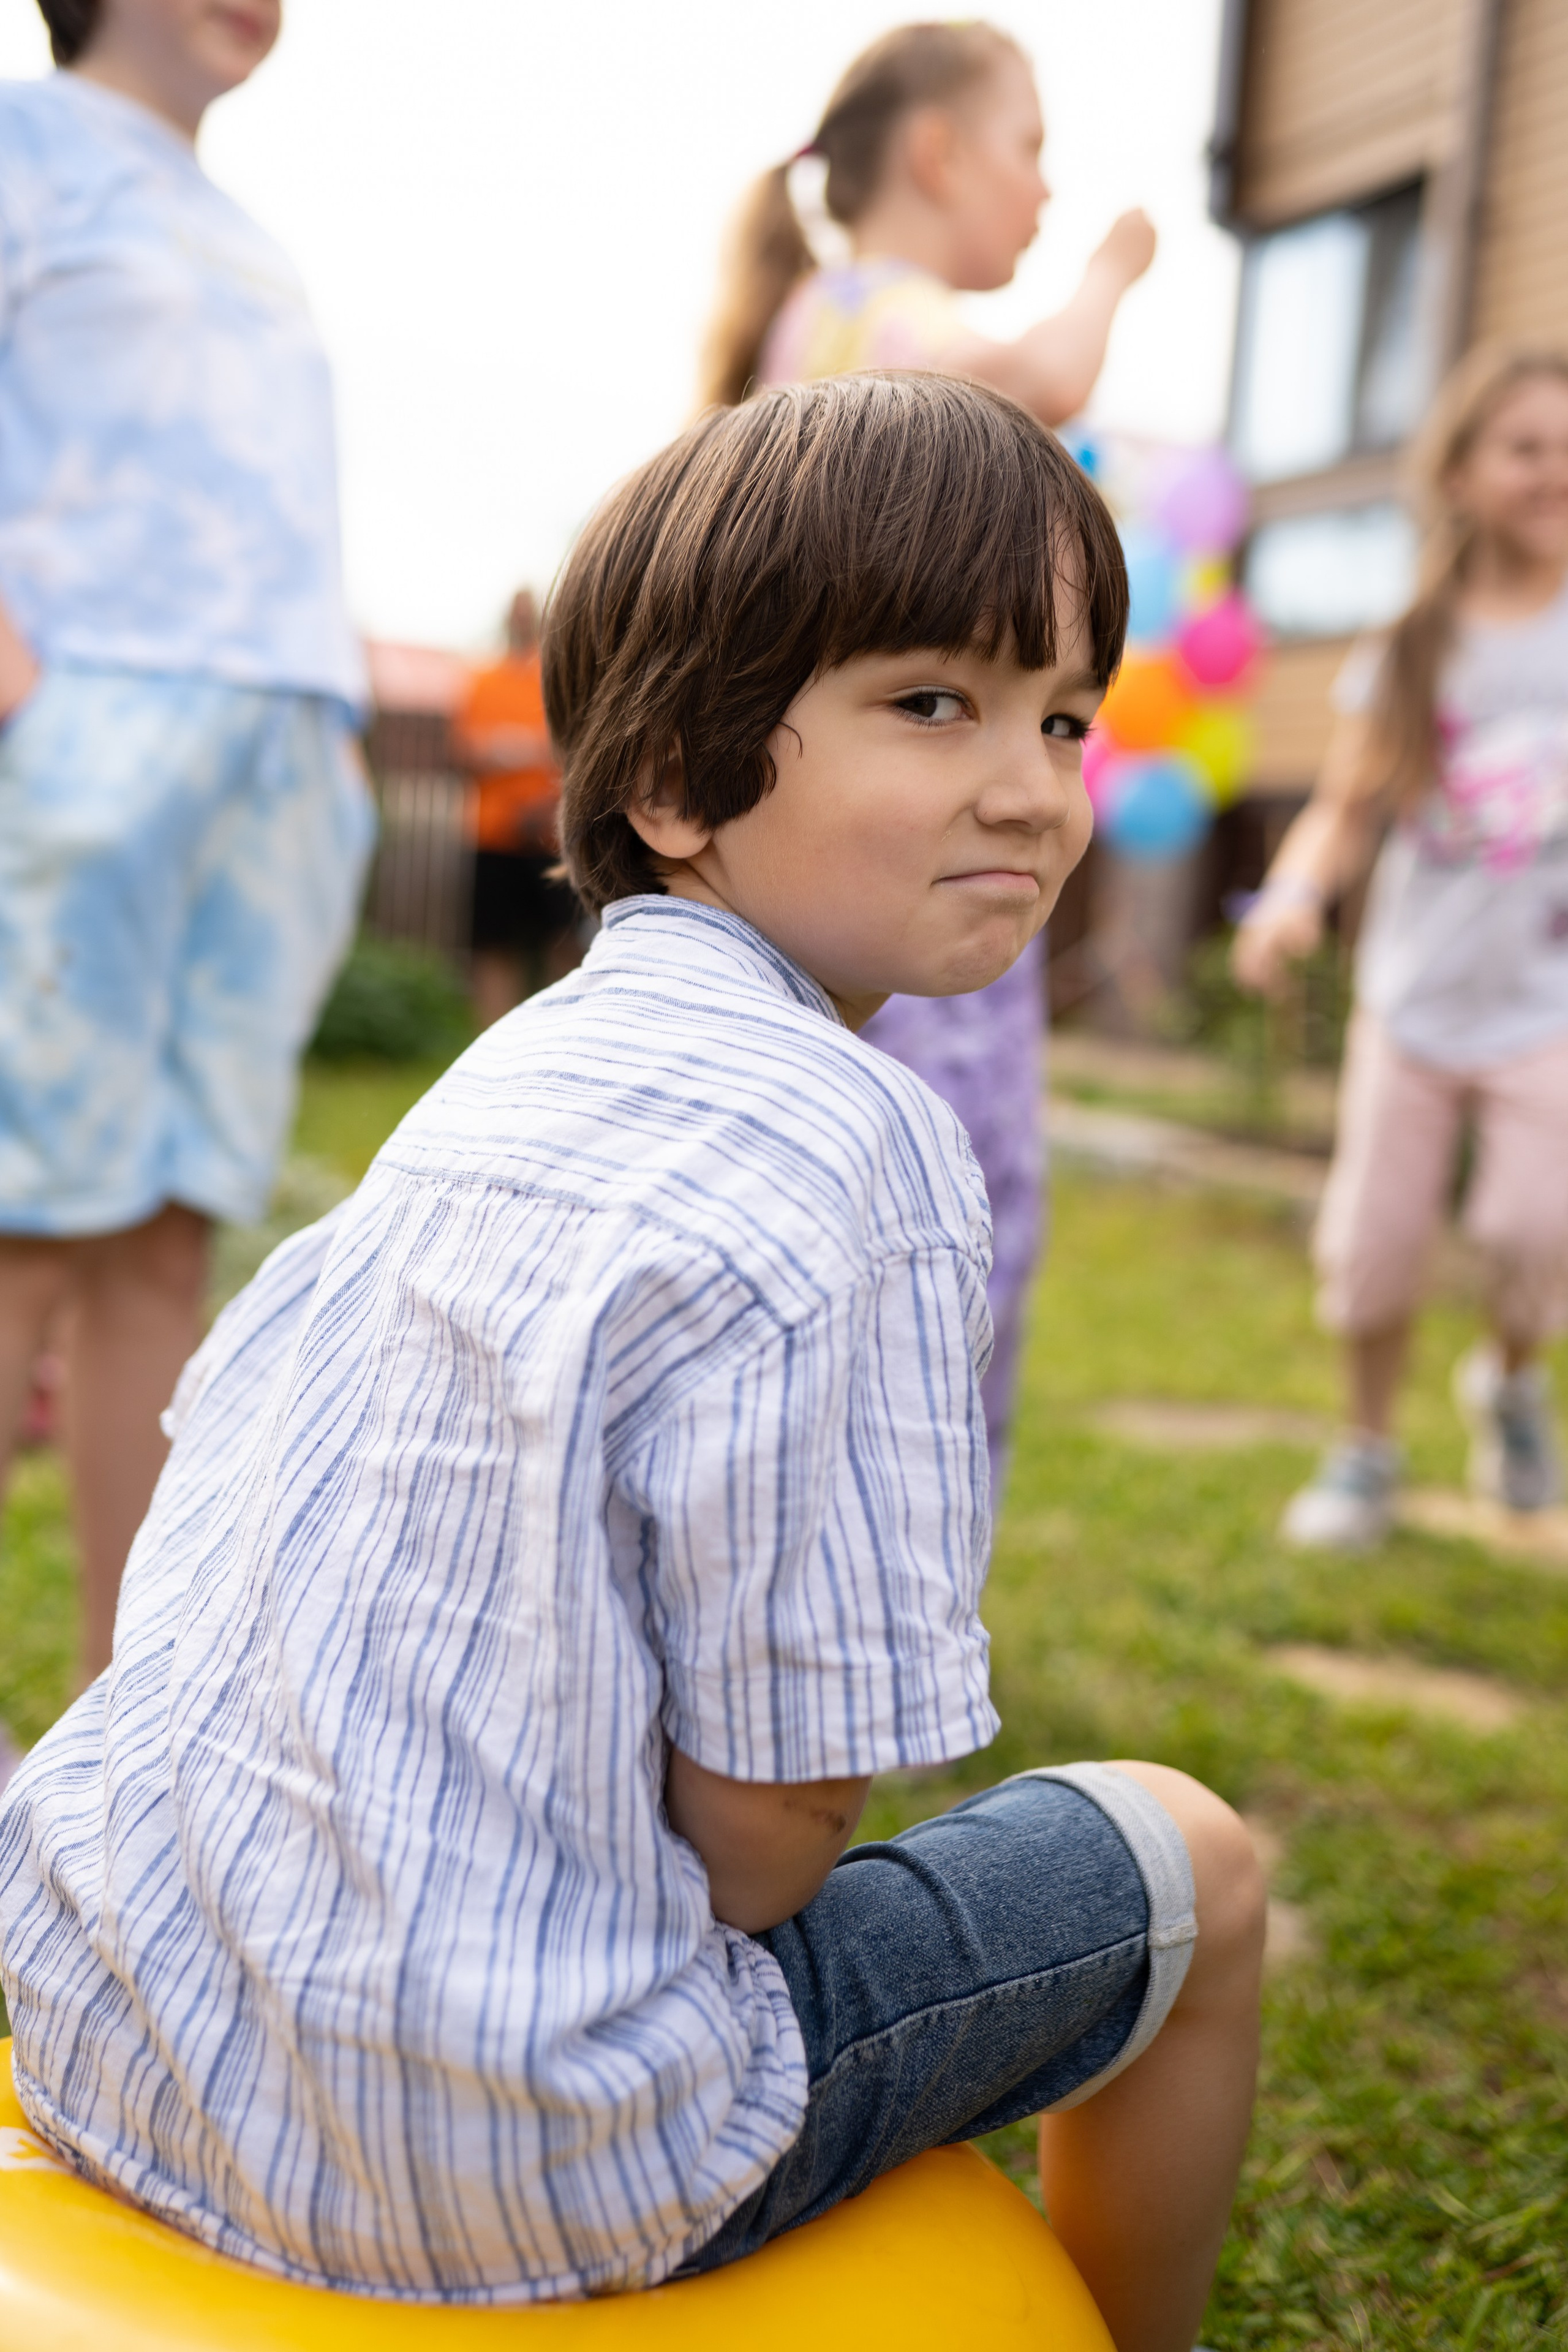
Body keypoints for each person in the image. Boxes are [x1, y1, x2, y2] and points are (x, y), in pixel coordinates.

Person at [0, 375, 1265, 2352]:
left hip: (110, 2025)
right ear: (674, 779)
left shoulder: (503, 1073)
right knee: (1197, 1859)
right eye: (935, 702)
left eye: (1065, 716)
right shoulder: (863, 1149)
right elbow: (770, 1845)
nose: (1033, 785)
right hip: (522, 2149)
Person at [698, 20, 1156, 1493]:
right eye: (1027, 151)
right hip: (908, 864)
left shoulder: (802, 318)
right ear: (937, 152)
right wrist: (1112, 272)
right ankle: (893, 1522)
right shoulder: (878, 313)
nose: (1039, 193)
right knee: (941, 1195)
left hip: (815, 847)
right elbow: (1034, 381)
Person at [0, 0, 372, 1689]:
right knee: (21, 1221)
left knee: (166, 1229)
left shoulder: (248, 229)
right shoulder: (25, 146)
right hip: (94, 729)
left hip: (278, 737)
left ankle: (112, 1759)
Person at [1234, 347, 1568, 1550]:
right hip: (1413, 1000)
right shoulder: (1415, 642)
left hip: (1547, 1004)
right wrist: (1289, 897)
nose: (1552, 470)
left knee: (1534, 1233)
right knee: (1373, 1247)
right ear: (1462, 473)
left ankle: (1508, 1379)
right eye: (1525, 447)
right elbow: (1344, 806)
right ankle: (1366, 1449)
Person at [454, 587, 582, 1028]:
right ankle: (490, 1038)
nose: (523, 620)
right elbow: (468, 752)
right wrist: (524, 752)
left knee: (561, 942)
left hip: (548, 833)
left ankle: (557, 1035)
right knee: (494, 946)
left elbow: (570, 752)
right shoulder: (481, 680)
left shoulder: (557, 680)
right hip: (494, 836)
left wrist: (520, 760)